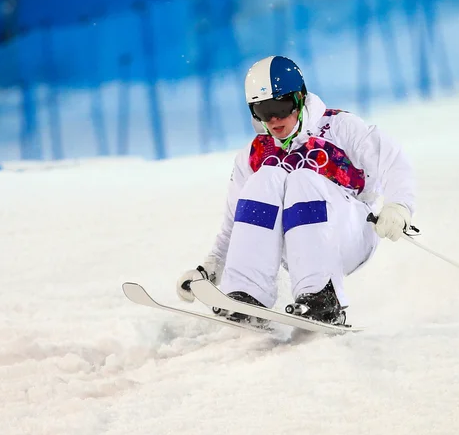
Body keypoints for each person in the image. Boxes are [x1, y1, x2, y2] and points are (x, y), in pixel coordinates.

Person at [176, 55, 416, 324]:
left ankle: (322, 294)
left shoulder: (338, 127)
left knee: (303, 179)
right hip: (295, 247)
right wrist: (211, 267)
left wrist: (398, 206)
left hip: (349, 235)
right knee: (265, 178)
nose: (275, 119)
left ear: (300, 99)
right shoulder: (254, 155)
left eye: (282, 105)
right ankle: (247, 292)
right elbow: (235, 222)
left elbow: (394, 161)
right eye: (264, 110)